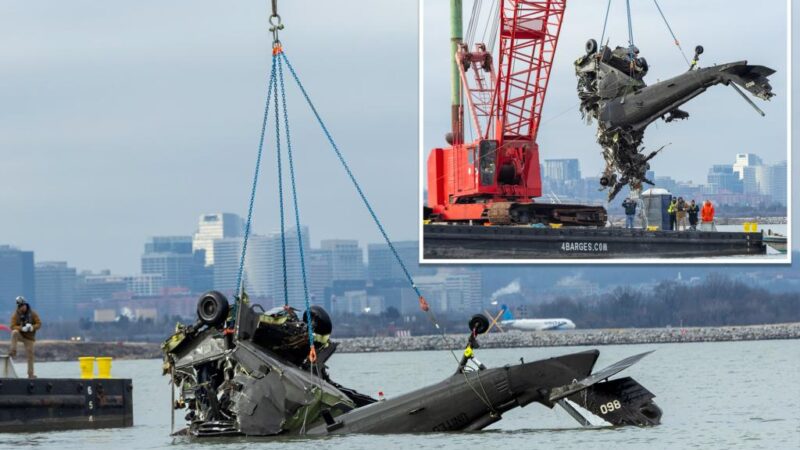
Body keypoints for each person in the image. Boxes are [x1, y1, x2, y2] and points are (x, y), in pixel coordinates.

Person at [9, 296, 41, 378]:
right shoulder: (16, 315)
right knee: (14, 332)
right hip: (20, 334)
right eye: (20, 306)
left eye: (23, 306)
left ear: (26, 305)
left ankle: (30, 374)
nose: (22, 308)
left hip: (29, 338)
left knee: (30, 355)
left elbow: (39, 324)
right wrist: (21, 328)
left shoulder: (33, 314)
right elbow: (12, 326)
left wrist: (32, 327)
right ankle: (13, 351)